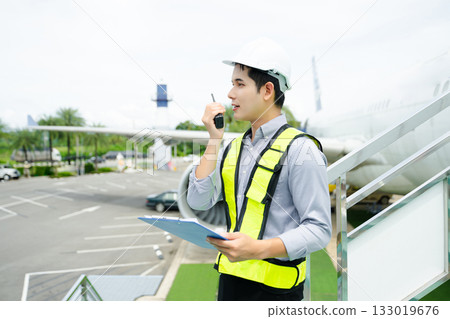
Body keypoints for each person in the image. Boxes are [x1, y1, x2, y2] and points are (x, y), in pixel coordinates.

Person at [186, 37, 331, 301]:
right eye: (232, 84)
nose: (230, 94)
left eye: (239, 84)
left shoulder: (301, 150)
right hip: (230, 285)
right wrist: (213, 139)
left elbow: (319, 230)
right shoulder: (233, 148)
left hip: (277, 293)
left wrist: (258, 249)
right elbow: (198, 200)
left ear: (267, 91)